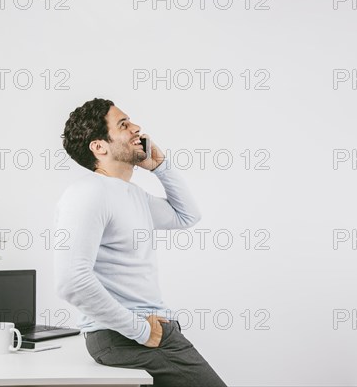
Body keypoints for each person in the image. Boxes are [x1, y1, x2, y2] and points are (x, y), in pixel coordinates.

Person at [53, 98, 227, 387]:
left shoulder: (131, 195)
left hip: (143, 334)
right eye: (123, 124)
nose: (136, 128)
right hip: (127, 337)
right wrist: (141, 331)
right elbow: (71, 281)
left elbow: (187, 216)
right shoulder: (88, 193)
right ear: (99, 146)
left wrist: (160, 166)